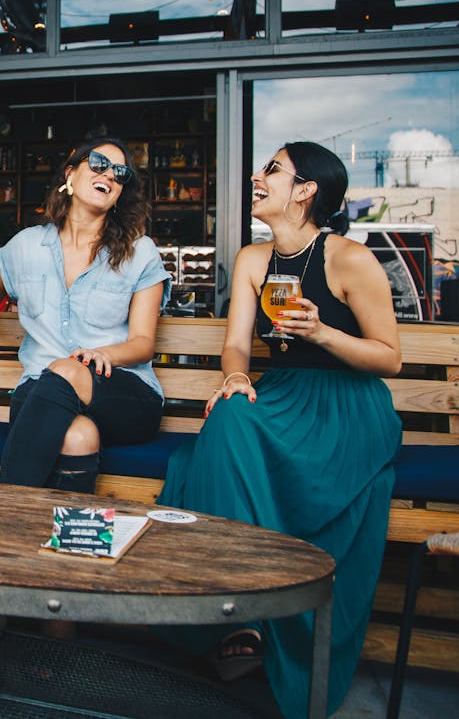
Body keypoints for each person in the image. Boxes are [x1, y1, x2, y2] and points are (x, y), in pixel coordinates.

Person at [157, 142, 402, 719]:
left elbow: (390, 358)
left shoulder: (349, 259)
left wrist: (322, 335)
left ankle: (257, 614)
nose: (255, 176)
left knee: (218, 445)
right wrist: (237, 376)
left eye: (271, 169)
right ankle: (236, 608)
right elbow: (237, 344)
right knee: (228, 414)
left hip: (348, 407)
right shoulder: (251, 259)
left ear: (306, 189)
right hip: (282, 393)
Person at [0, 138, 170, 496]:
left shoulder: (140, 253)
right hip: (40, 392)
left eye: (120, 173)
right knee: (78, 436)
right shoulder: (26, 246)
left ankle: (2, 510)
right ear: (70, 174)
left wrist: (104, 354)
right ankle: (66, 544)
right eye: (97, 163)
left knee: (66, 368)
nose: (109, 174)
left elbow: (143, 344)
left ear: (120, 193)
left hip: (121, 391)